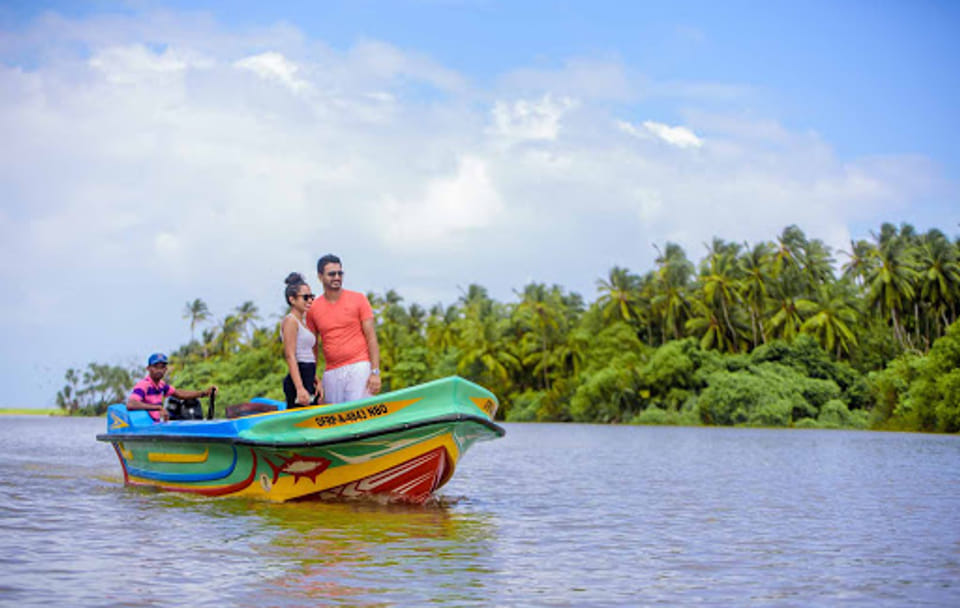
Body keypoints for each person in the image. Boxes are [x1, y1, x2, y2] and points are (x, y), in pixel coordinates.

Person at [306, 254, 382, 404]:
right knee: (335, 419)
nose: (337, 277)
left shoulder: (359, 299)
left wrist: (375, 372)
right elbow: (313, 346)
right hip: (331, 372)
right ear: (320, 276)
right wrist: (313, 378)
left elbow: (371, 338)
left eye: (339, 273)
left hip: (359, 366)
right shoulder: (313, 308)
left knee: (357, 415)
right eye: (331, 274)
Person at [126, 353, 217, 422]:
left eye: (162, 367)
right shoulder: (144, 385)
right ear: (148, 368)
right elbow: (131, 404)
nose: (159, 370)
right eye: (156, 367)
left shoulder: (161, 385)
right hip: (145, 426)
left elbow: (179, 394)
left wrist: (204, 393)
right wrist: (157, 408)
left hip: (156, 424)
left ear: (165, 370)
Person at [281, 272, 323, 408]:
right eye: (305, 297)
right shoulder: (290, 321)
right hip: (299, 377)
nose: (310, 301)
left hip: (308, 375)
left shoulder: (303, 322)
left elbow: (307, 353)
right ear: (292, 299)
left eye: (311, 297)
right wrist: (299, 388)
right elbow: (290, 355)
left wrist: (316, 380)